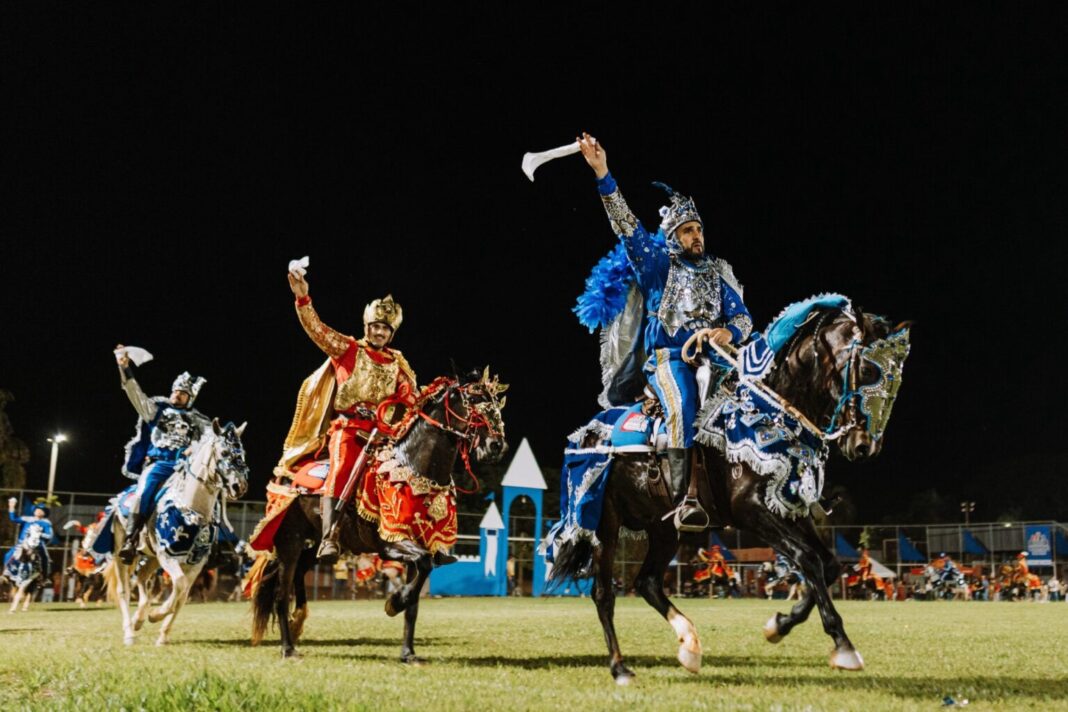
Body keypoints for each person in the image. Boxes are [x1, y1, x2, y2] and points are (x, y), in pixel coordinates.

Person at [577, 132, 753, 528]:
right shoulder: (657, 266)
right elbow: (626, 225)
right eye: (688, 231)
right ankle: (683, 499)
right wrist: (602, 173)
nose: (697, 236)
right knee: (684, 403)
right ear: (673, 237)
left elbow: (742, 318)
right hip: (669, 361)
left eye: (699, 229)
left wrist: (728, 333)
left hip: (717, 361)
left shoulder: (716, 275)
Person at [283, 264, 417, 564]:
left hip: (384, 437)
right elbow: (316, 329)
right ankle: (329, 536)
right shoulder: (348, 349)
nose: (379, 331)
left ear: (391, 333)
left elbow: (410, 399)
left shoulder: (399, 364)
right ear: (367, 326)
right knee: (342, 468)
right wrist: (303, 298)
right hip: (348, 430)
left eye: (385, 328)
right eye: (375, 326)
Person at [114, 347, 211, 564]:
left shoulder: (199, 420)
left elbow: (210, 440)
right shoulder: (157, 410)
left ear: (190, 397)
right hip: (158, 466)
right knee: (143, 493)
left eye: (182, 393)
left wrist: (195, 448)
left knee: (208, 492)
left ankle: (210, 543)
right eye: (175, 391)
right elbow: (134, 393)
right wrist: (125, 368)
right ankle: (130, 540)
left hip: (183, 468)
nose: (177, 394)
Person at [4, 497, 54, 579]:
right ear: (34, 511)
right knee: (8, 555)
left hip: (38, 545)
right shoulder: (27, 519)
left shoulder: (46, 523)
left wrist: (40, 534)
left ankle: (45, 577)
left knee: (45, 558)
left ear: (45, 513)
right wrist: (11, 507)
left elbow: (49, 535)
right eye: (37, 509)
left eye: (42, 510)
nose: (39, 511)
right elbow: (13, 519)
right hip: (22, 544)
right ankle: (7, 572)